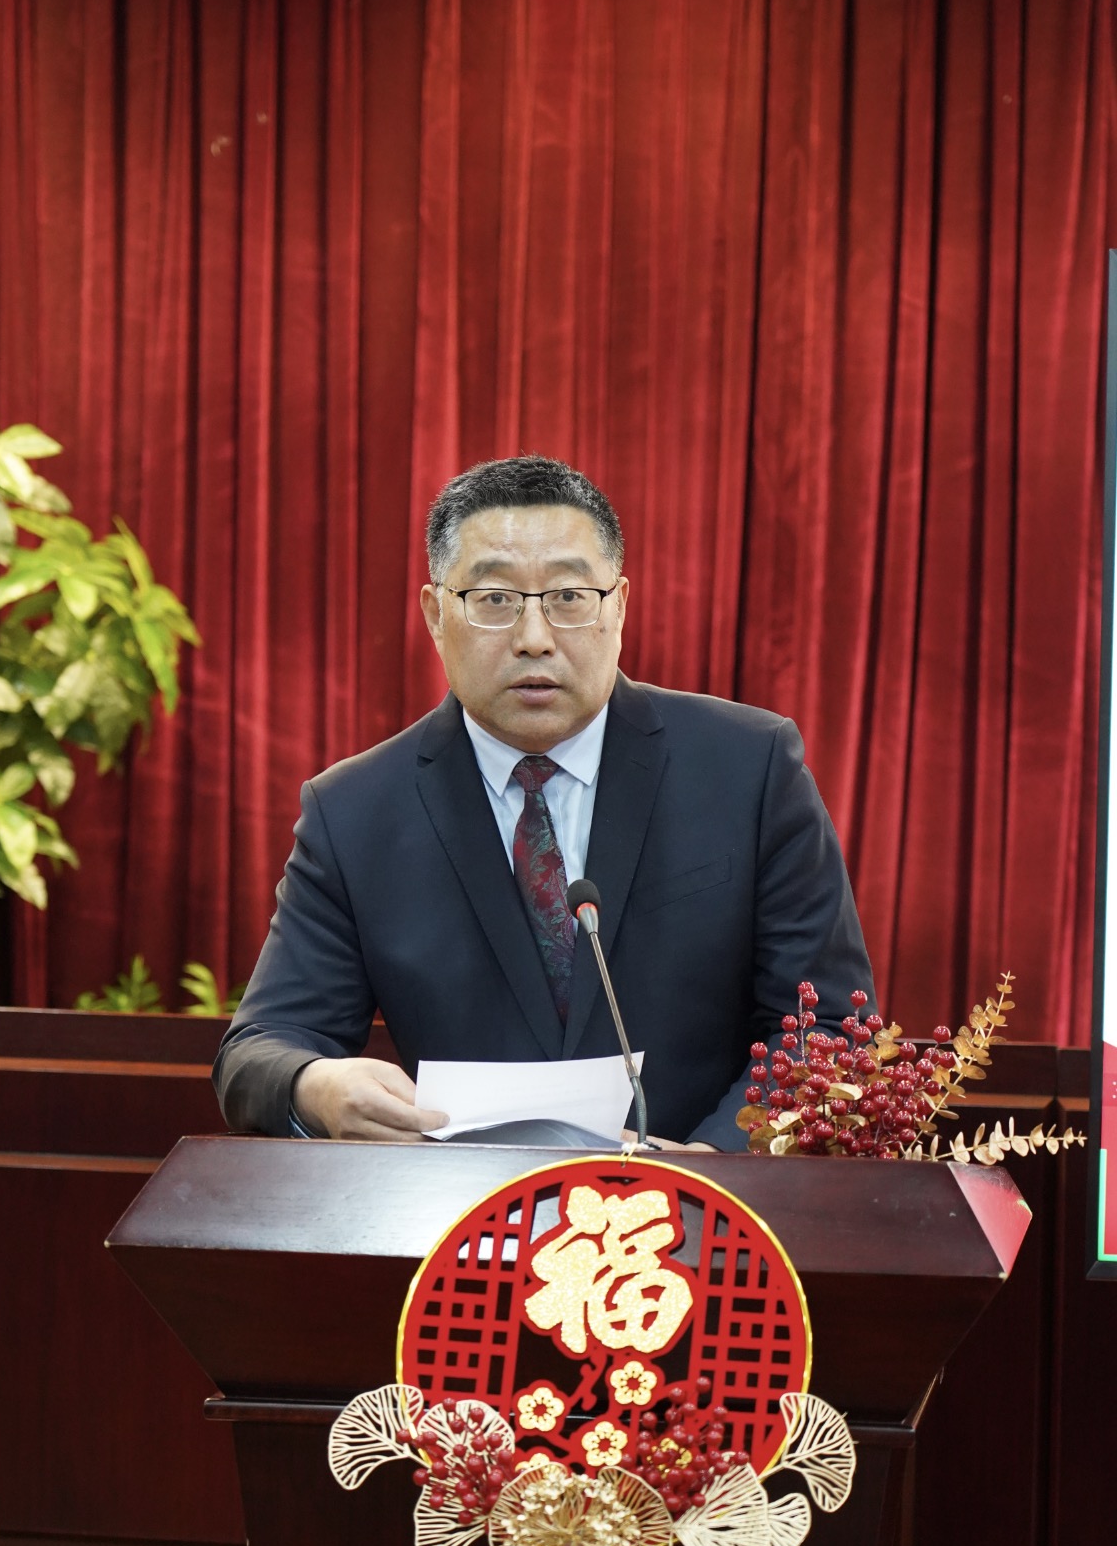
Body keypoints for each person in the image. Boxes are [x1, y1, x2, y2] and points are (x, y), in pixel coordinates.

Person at [214, 456, 875, 1149]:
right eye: (494, 600)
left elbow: (829, 1027)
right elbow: (260, 1050)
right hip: (460, 1210)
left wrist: (711, 1169)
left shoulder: (749, 768)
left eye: (569, 596)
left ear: (618, 607)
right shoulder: (354, 813)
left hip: (707, 1204)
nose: (534, 639)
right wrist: (314, 1085)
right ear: (436, 614)